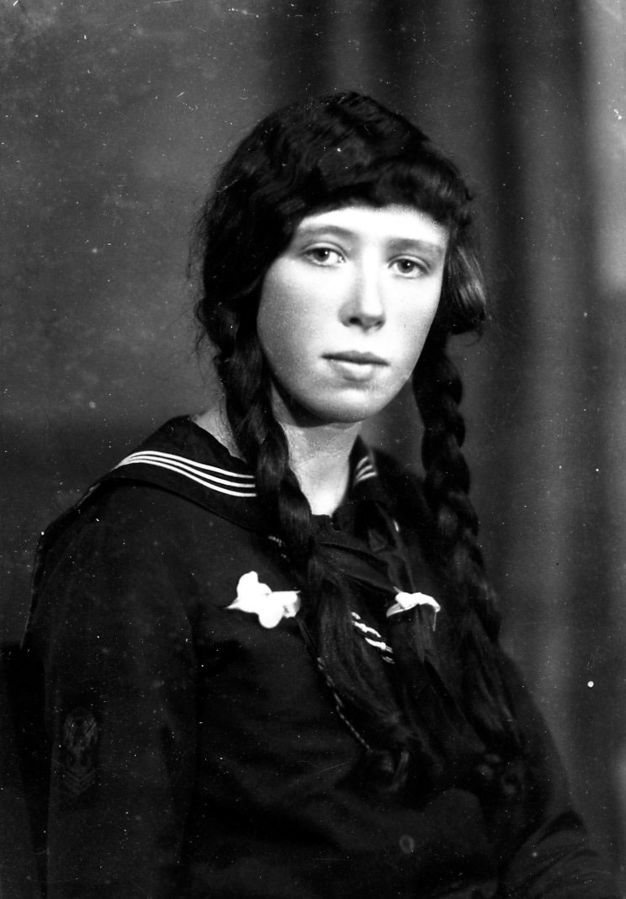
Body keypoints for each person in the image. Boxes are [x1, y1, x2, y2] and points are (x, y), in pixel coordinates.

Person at [22, 91, 618, 898]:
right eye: (327, 252)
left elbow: (542, 837)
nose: (369, 308)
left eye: (409, 265)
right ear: (247, 276)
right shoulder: (136, 543)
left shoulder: (410, 514)